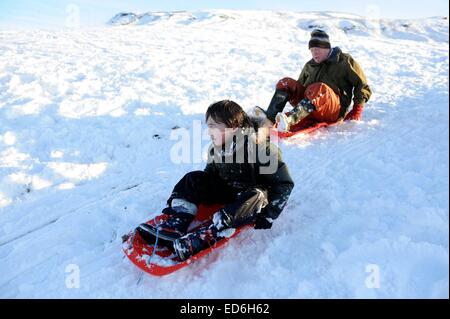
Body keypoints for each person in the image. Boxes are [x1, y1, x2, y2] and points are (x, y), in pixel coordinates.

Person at [136, 100, 294, 261]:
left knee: (257, 194)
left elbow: (283, 183)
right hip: (227, 191)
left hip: (249, 200)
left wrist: (269, 214)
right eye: (208, 126)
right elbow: (210, 174)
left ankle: (209, 233)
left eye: (214, 126)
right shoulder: (216, 147)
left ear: (233, 127)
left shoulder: (261, 148)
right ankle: (177, 222)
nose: (210, 131)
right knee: (194, 178)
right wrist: (199, 190)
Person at [261, 29, 372, 132]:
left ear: (327, 48)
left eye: (317, 49)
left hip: (333, 110)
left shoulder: (344, 60)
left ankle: (289, 120)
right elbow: (299, 89)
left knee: (319, 88)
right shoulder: (310, 65)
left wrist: (357, 109)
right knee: (286, 83)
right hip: (311, 109)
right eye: (312, 49)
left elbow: (361, 84)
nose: (314, 53)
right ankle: (269, 119)